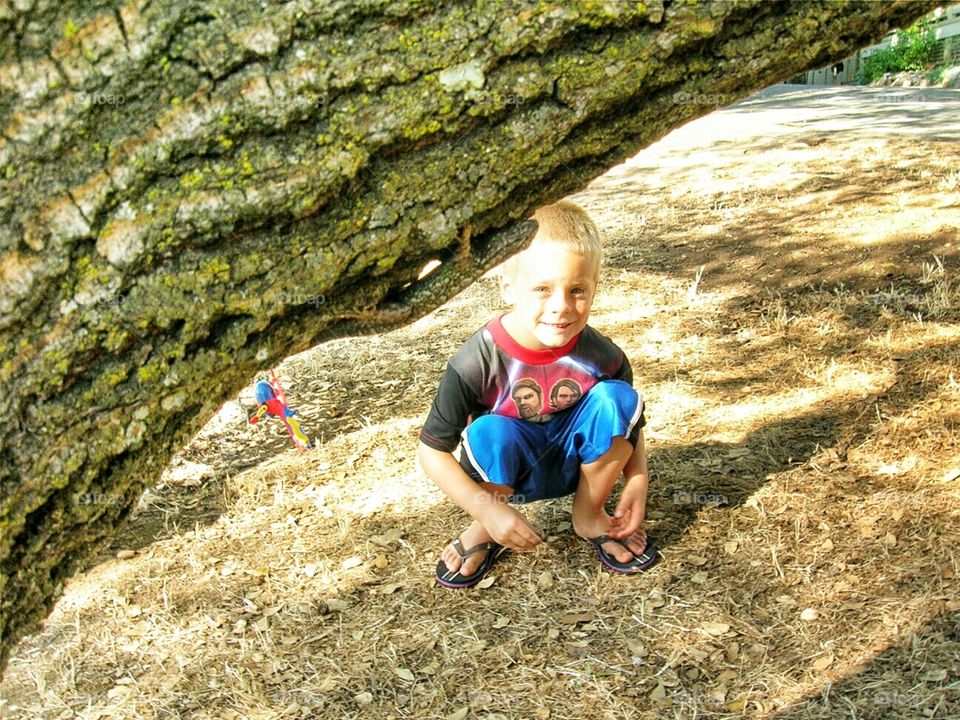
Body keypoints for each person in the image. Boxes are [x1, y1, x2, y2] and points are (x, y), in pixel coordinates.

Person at [418, 200, 658, 588]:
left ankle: (589, 514)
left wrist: (636, 481)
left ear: (596, 286)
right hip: (509, 473)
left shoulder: (604, 356)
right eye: (542, 289)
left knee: (618, 399)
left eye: (577, 289)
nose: (561, 307)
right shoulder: (475, 361)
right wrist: (488, 510)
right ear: (508, 286)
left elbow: (630, 425)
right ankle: (488, 526)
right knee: (488, 433)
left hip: (578, 468)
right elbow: (431, 451)